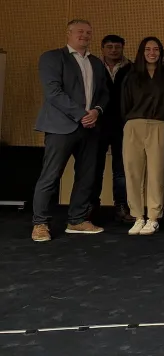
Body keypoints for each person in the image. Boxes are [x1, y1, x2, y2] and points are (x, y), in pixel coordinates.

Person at [31, 19, 110, 242]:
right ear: (68, 33)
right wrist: (81, 114)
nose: (84, 35)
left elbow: (104, 93)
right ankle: (40, 223)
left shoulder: (96, 63)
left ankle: (77, 220)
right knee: (51, 176)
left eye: (88, 32)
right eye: (79, 32)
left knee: (87, 176)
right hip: (60, 127)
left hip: (90, 128)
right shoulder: (52, 57)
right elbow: (53, 92)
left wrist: (96, 110)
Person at [122, 37, 164, 236]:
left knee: (156, 173)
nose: (152, 52)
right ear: (142, 51)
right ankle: (137, 216)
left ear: (161, 52)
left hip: (159, 125)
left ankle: (153, 217)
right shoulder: (131, 74)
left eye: (156, 49)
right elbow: (124, 103)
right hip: (134, 125)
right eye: (148, 49)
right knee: (133, 173)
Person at [95, 34, 133, 222]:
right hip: (97, 123)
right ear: (102, 48)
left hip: (122, 123)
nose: (113, 50)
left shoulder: (132, 68)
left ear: (123, 48)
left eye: (117, 47)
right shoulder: (92, 65)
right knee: (94, 166)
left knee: (121, 169)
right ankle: (92, 205)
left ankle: (121, 206)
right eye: (109, 47)